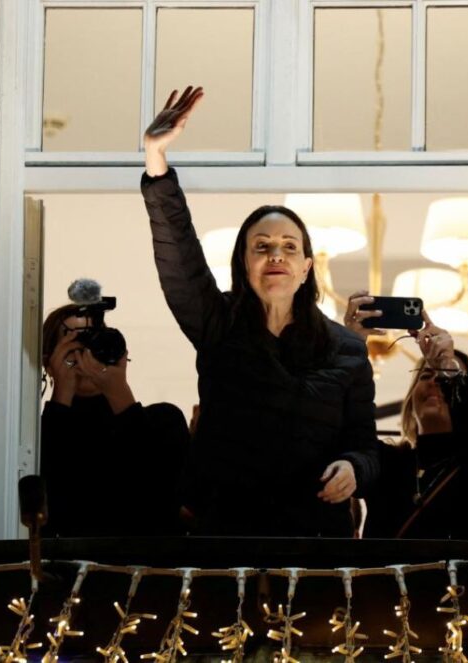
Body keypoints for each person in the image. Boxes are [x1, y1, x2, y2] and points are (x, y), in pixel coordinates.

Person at [140, 86, 380, 537]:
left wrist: (354, 468)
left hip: (313, 543)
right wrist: (156, 159)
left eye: (290, 247)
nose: (276, 255)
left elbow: (365, 445)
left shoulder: (346, 348)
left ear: (307, 267)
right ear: (244, 263)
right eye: (262, 246)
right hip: (225, 536)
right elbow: (180, 257)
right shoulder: (217, 325)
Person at [344, 292, 468, 540]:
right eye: (425, 376)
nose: (435, 381)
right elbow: (346, 427)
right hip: (383, 579)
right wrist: (350, 346)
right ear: (412, 397)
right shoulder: (388, 462)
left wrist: (448, 367)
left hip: (454, 579)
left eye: (445, 379)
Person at [39, 300, 189, 537]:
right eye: (73, 347)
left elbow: (160, 501)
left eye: (93, 343)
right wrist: (62, 392)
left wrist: (118, 389)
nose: (85, 356)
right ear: (49, 362)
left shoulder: (162, 422)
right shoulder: (36, 437)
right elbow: (52, 502)